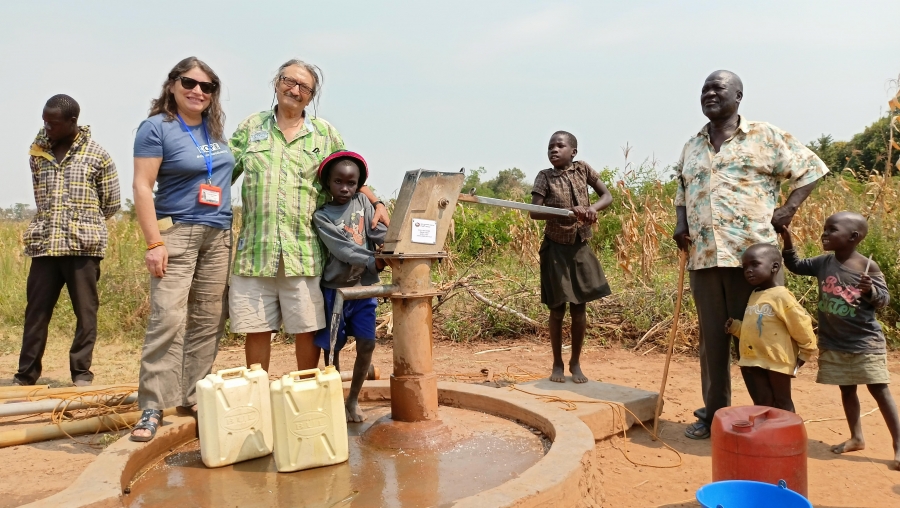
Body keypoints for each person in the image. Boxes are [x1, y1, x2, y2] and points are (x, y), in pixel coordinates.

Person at [673, 70, 829, 439]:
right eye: (704, 89)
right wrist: (681, 223)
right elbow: (682, 190)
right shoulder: (692, 145)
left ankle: (775, 419)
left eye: (718, 88)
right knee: (713, 342)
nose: (709, 94)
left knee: (766, 339)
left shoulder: (765, 135)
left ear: (739, 96)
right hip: (705, 258)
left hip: (754, 262)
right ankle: (715, 414)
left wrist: (789, 208)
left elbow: (811, 169)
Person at [229, 59, 388, 374]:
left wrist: (378, 202)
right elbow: (221, 174)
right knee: (257, 328)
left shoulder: (324, 134)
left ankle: (305, 393)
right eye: (290, 81)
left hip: (303, 250)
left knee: (306, 327)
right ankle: (258, 396)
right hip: (256, 251)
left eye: (304, 87)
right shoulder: (252, 127)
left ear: (312, 96)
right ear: (277, 82)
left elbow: (350, 174)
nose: (295, 89)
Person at [131, 57, 234, 442]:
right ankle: (153, 405)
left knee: (209, 318)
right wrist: (154, 242)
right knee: (168, 317)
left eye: (207, 87)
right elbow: (143, 187)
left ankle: (193, 397)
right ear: (172, 84)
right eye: (190, 83)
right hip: (176, 232)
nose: (198, 91)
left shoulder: (214, 129)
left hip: (218, 233)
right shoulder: (156, 128)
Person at [13, 94, 120, 387]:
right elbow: (41, 197)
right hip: (45, 246)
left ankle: (81, 373)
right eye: (44, 121)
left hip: (82, 247)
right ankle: (26, 374)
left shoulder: (98, 155)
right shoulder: (38, 153)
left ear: (72, 122)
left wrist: (82, 222)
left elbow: (111, 204)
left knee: (85, 314)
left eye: (53, 123)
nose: (47, 127)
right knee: (36, 313)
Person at [782, 213, 900, 469]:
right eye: (824, 229)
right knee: (847, 389)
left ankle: (899, 445)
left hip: (864, 343)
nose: (824, 234)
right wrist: (787, 237)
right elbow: (796, 266)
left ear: (853, 237)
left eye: (831, 230)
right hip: (834, 342)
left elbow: (884, 301)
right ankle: (856, 437)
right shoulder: (823, 263)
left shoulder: (868, 267)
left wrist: (871, 290)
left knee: (879, 390)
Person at [529, 131, 612, 384]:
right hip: (555, 248)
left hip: (580, 246)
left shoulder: (583, 170)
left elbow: (607, 196)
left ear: (573, 152)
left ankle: (575, 363)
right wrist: (564, 212)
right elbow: (534, 211)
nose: (554, 150)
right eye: (550, 146)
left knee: (579, 308)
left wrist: (591, 210)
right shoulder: (545, 177)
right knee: (556, 310)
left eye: (560, 146)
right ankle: (557, 364)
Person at [311, 151, 387, 422]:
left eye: (351, 183)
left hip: (363, 290)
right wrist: (373, 261)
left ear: (359, 184)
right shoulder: (322, 216)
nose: (345, 188)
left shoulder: (364, 205)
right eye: (338, 182)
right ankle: (335, 399)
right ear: (327, 183)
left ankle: (353, 399)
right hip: (336, 290)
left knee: (367, 344)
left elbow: (377, 232)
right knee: (333, 349)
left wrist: (392, 246)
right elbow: (341, 248)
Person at [724, 243, 817, 412]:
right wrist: (736, 327)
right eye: (745, 267)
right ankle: (767, 434)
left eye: (755, 264)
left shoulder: (781, 296)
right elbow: (757, 327)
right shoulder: (755, 294)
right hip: (756, 359)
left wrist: (806, 351)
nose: (748, 270)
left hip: (777, 360)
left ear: (775, 267)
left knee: (782, 400)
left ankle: (789, 435)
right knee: (763, 400)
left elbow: (800, 323)